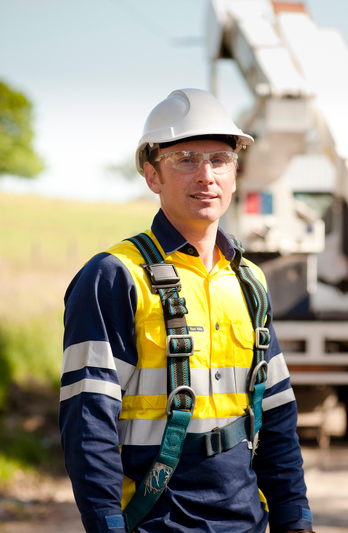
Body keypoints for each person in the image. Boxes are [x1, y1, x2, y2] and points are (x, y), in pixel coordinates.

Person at [59, 88, 313, 533]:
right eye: (186, 159)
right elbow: (88, 422)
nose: (206, 175)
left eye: (219, 159)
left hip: (247, 522)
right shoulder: (115, 276)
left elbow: (276, 419)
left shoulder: (249, 280)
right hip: (154, 523)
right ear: (151, 174)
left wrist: (295, 519)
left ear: (236, 173)